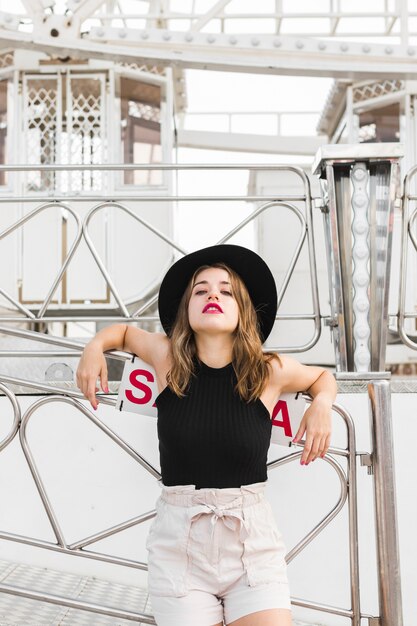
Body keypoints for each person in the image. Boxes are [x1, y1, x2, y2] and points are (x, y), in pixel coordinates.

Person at [76, 244, 336, 626]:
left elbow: (321, 377)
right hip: (180, 545)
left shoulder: (268, 370)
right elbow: (125, 334)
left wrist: (322, 406)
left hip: (252, 544)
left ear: (242, 309)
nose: (213, 294)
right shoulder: (167, 357)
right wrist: (94, 346)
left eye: (226, 290)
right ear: (187, 308)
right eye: (201, 290)